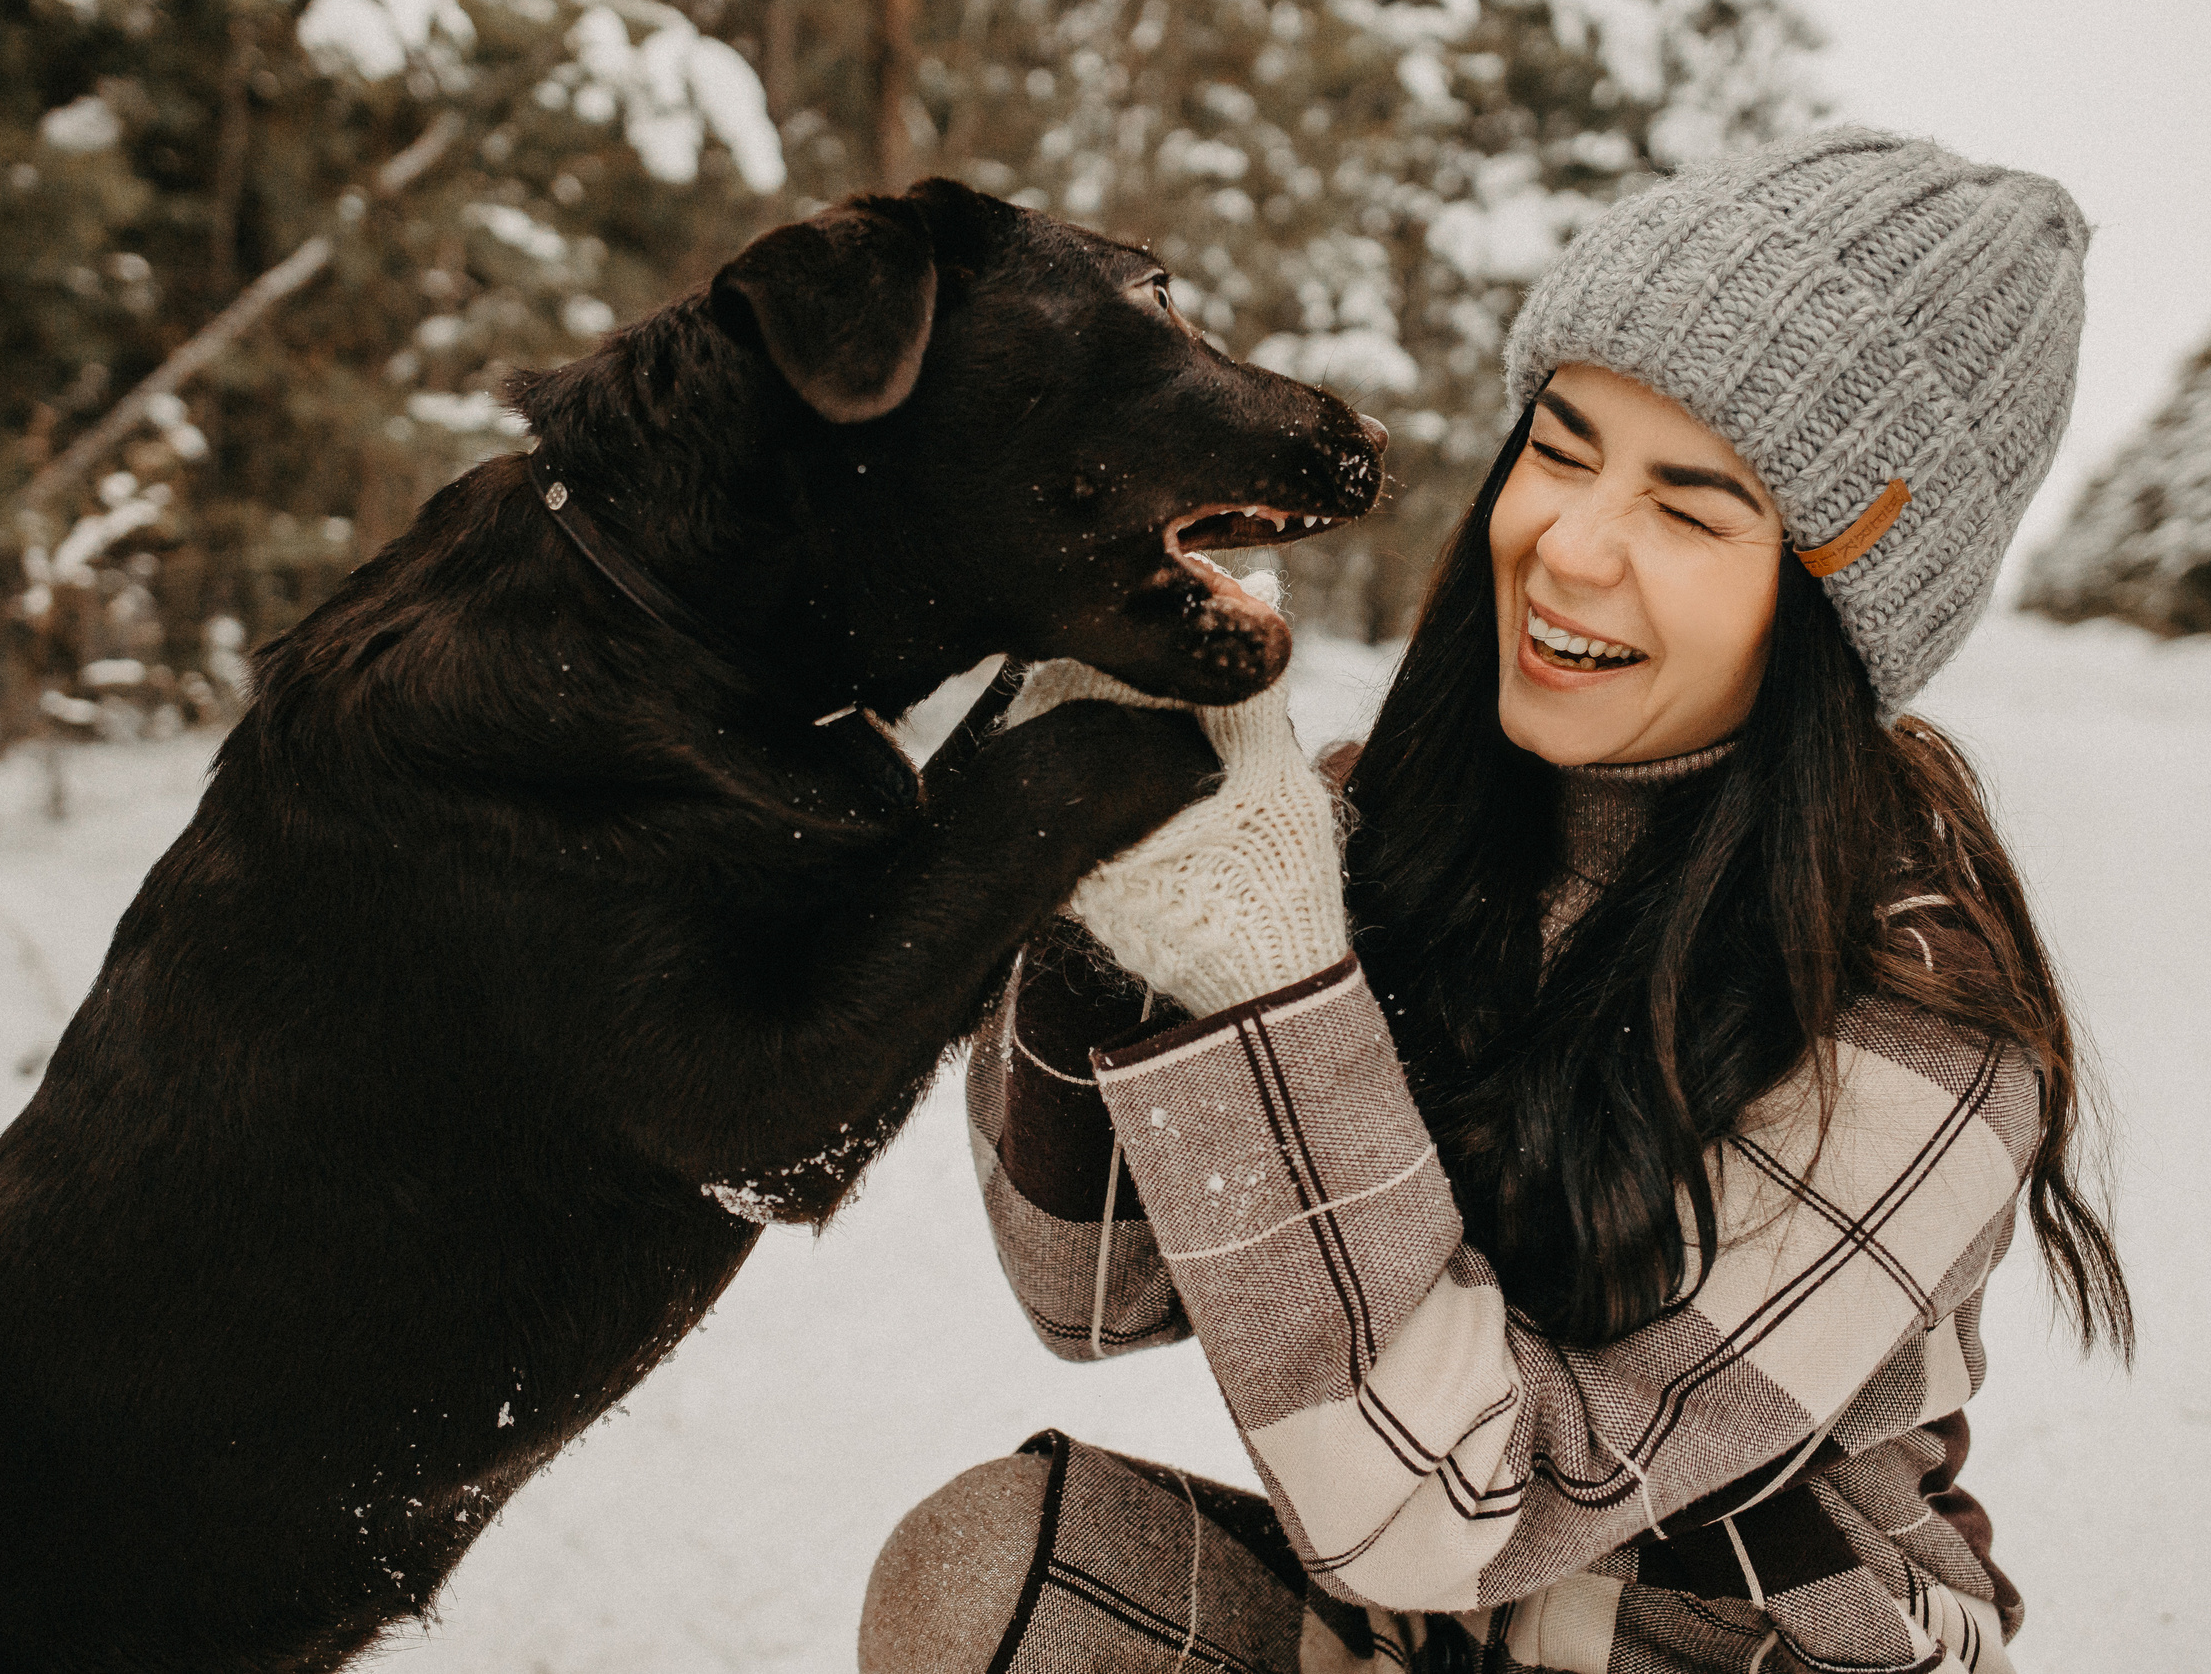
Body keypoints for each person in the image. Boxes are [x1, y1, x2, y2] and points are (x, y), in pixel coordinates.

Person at [858, 126, 2131, 1674]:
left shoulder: (1919, 1027)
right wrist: (1102, 875)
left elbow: (1459, 1505)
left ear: (1833, 599)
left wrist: (1269, 980)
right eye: (1566, 446)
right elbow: (1093, 1285)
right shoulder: (1400, 831)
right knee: (988, 1574)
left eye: (1692, 507)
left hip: (1733, 1649)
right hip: (1438, 1634)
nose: (1573, 547)